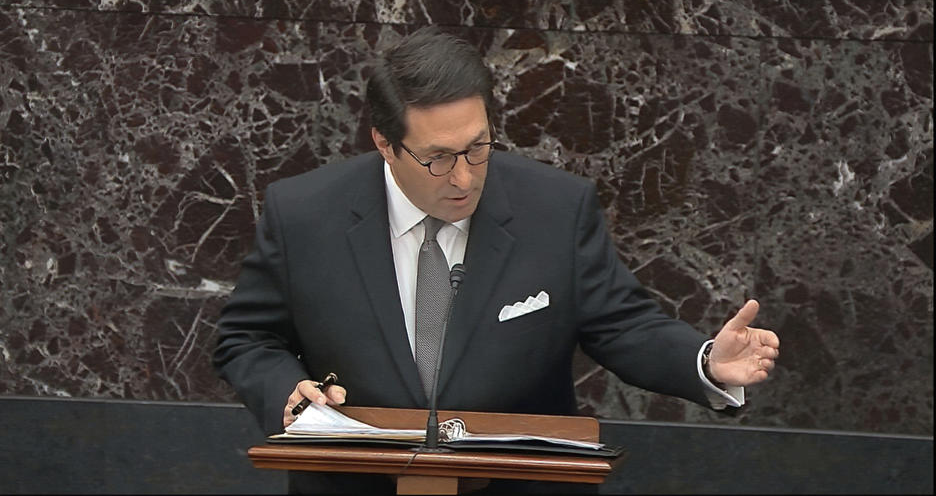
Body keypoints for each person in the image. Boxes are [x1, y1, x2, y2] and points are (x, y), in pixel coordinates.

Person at [213, 27, 780, 494]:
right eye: (437, 158)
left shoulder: (555, 208)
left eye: (478, 147)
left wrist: (705, 362)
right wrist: (287, 392)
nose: (463, 177)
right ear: (385, 144)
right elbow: (246, 338)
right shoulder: (303, 213)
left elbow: (622, 325)